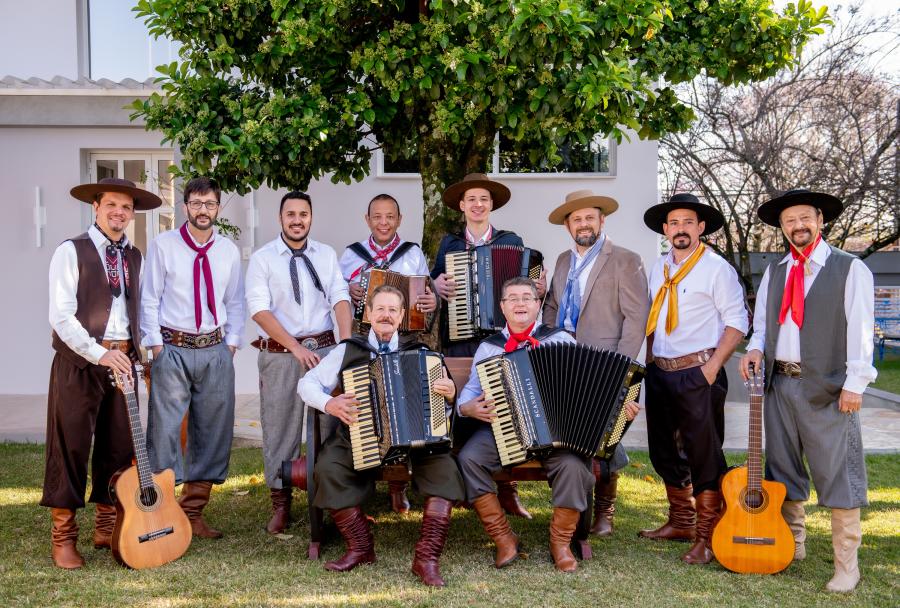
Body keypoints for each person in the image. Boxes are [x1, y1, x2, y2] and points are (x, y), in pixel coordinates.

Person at [740, 188, 875, 592]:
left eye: (804, 218)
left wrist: (855, 383)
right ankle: (792, 542)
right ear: (782, 228)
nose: (797, 226)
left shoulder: (849, 269)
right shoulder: (777, 270)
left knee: (837, 472)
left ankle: (846, 564)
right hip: (779, 383)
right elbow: (763, 325)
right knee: (782, 467)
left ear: (820, 220)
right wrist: (754, 348)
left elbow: (861, 329)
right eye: (789, 221)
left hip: (829, 387)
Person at [298, 285, 465, 587]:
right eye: (380, 309)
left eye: (392, 310)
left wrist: (451, 394)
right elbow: (307, 384)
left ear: (401, 316)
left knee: (445, 470)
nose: (386, 315)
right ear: (368, 314)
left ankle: (426, 558)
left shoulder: (422, 352)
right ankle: (361, 548)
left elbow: (446, 404)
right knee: (329, 468)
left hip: (417, 440)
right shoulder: (349, 350)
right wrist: (329, 403)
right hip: (361, 433)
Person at [42, 177, 161, 569]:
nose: (118, 213)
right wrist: (98, 354)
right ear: (96, 207)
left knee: (119, 447)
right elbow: (61, 316)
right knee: (70, 446)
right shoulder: (71, 251)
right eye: (111, 204)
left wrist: (144, 353)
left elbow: (139, 311)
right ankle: (64, 535)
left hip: (124, 362)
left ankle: (107, 524)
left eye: (126, 207)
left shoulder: (135, 256)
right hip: (80, 362)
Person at [456, 277, 598, 573]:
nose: (520, 303)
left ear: (537, 305)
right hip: (503, 428)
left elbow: (589, 386)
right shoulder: (489, 347)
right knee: (469, 458)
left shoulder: (560, 340)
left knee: (573, 466)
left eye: (526, 298)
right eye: (512, 298)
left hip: (556, 433)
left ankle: (560, 543)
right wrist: (466, 407)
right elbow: (471, 389)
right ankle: (504, 538)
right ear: (502, 307)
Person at [640, 193, 748, 565]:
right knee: (663, 450)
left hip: (698, 371)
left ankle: (707, 535)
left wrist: (712, 367)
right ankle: (681, 521)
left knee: (703, 454)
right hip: (661, 371)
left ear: (701, 227)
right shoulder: (659, 266)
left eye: (688, 222)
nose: (680, 228)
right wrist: (650, 359)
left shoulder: (716, 268)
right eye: (674, 223)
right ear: (665, 229)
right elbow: (653, 316)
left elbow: (737, 321)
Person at [430, 172, 544, 518]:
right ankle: (465, 484)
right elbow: (434, 283)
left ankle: (507, 490)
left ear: (491, 204)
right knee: (465, 410)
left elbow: (530, 280)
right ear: (462, 206)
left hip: (505, 339)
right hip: (461, 341)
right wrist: (437, 285)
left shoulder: (512, 241)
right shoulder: (449, 244)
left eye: (483, 199)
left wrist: (537, 284)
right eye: (471, 200)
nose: (478, 205)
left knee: (509, 405)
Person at [542, 189, 650, 537]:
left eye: (590, 217)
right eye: (577, 219)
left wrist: (621, 370)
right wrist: (550, 340)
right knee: (578, 435)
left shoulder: (626, 260)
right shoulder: (563, 261)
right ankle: (577, 508)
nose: (584, 224)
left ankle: (605, 510)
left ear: (602, 220)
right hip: (568, 365)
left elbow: (636, 319)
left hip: (608, 366)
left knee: (607, 438)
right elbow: (552, 306)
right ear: (567, 225)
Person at [142, 176, 245, 539]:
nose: (204, 210)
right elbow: (150, 298)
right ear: (185, 206)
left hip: (215, 349)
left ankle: (193, 512)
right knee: (165, 432)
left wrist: (231, 345)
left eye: (210, 204)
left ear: (218, 207)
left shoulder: (228, 251)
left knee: (213, 430)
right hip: (173, 347)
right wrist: (156, 347)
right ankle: (163, 513)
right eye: (197, 203)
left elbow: (236, 301)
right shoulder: (163, 246)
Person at [245, 191, 352, 534]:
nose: (297, 220)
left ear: (310, 217)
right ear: (280, 218)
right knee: (280, 428)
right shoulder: (263, 258)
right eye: (290, 214)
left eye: (303, 214)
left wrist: (346, 345)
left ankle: (335, 499)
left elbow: (340, 297)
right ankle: (281, 503)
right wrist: (294, 347)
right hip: (280, 353)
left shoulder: (326, 254)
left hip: (325, 350)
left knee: (332, 425)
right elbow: (259, 309)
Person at [340, 193, 438, 513]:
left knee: (400, 409)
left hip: (403, 339)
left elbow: (425, 296)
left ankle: (398, 485)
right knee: (369, 408)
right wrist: (348, 290)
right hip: (365, 340)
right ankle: (364, 480)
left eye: (390, 216)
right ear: (367, 220)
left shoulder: (412, 254)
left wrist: (429, 300)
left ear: (399, 219)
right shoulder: (351, 255)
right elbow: (337, 296)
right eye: (377, 217)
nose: (383, 223)